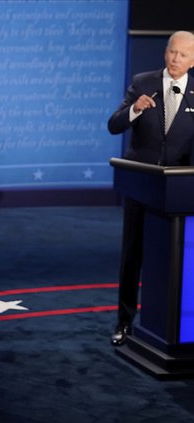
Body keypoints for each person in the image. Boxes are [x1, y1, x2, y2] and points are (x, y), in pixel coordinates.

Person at [107, 31, 194, 346]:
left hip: (179, 193)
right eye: (172, 52)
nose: (175, 59)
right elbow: (114, 124)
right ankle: (125, 322)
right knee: (133, 256)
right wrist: (135, 110)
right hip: (142, 184)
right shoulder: (142, 83)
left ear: (193, 60)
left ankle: (168, 327)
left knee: (174, 261)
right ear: (165, 52)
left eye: (182, 55)